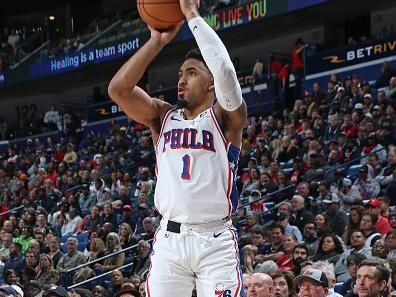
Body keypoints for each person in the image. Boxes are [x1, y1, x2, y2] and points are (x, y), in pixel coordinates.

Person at [108, 1, 247, 296]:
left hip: (216, 241)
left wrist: (192, 16)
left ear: (212, 84)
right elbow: (118, 90)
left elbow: (223, 68)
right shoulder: (162, 116)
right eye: (181, 74)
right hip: (171, 239)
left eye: (193, 73)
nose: (182, 80)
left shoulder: (226, 119)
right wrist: (156, 41)